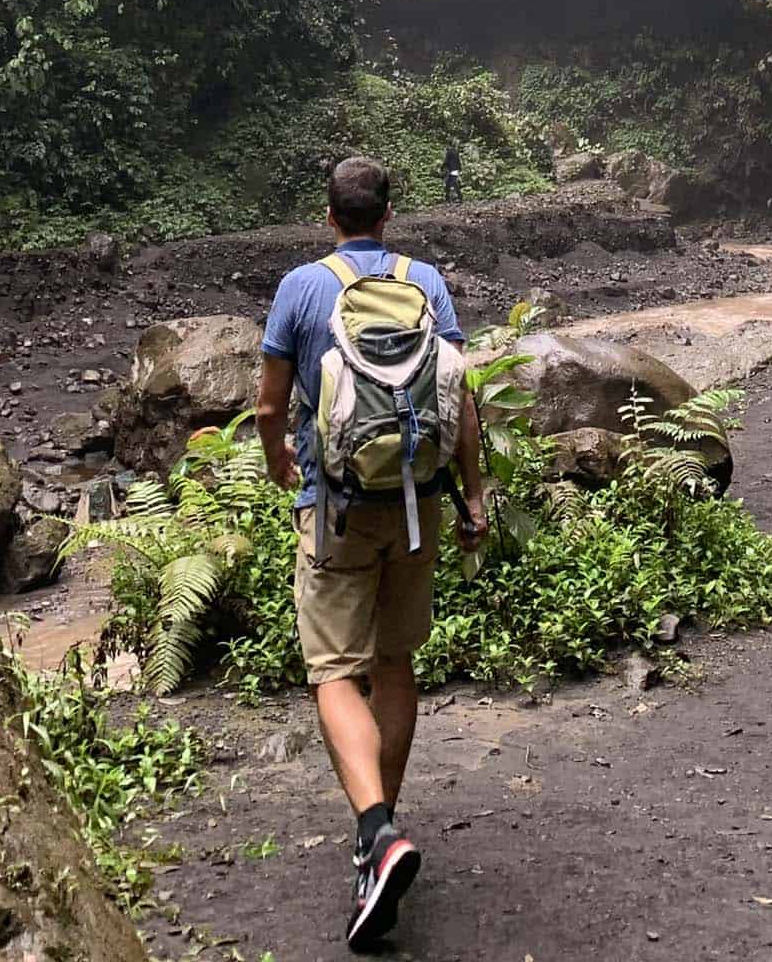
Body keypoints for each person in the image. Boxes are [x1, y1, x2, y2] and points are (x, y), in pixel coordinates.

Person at [256, 155, 489, 951]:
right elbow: (461, 399)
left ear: (328, 216)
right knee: (393, 665)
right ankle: (378, 837)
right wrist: (477, 494)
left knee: (332, 671)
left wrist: (280, 463)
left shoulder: (300, 288)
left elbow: (268, 402)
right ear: (388, 214)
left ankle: (377, 833)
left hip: (336, 511)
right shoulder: (425, 281)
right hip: (417, 510)